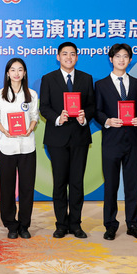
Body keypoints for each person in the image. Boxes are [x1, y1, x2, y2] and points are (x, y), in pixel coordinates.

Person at [39, 41, 96, 239]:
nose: (69, 57)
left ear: (77, 57)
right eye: (65, 54)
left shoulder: (86, 78)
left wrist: (84, 116)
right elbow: (44, 107)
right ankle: (61, 224)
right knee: (60, 183)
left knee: (77, 183)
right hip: (57, 138)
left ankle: (76, 224)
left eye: (72, 54)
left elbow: (92, 105)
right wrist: (57, 118)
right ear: (58, 57)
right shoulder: (48, 79)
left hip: (80, 137)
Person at [94, 43, 137, 241]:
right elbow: (96, 111)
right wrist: (107, 121)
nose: (121, 60)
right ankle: (110, 225)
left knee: (132, 185)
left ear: (130, 59)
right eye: (117, 56)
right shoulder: (101, 84)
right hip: (111, 142)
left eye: (125, 56)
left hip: (133, 141)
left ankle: (132, 224)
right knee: (111, 185)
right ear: (111, 59)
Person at [0, 58, 39, 239]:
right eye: (13, 69)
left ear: (25, 73)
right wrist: (5, 130)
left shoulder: (32, 94)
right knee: (7, 188)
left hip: (27, 147)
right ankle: (11, 225)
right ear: (7, 73)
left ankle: (24, 225)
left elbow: (34, 116)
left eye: (20, 69)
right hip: (7, 146)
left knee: (27, 188)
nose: (16, 73)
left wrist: (30, 128)